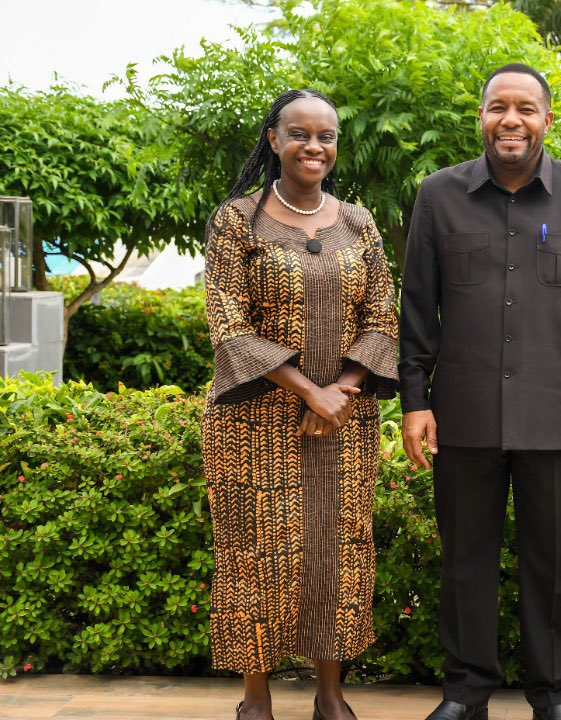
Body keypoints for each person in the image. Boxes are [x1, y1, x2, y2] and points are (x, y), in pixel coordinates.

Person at [397, 63, 561, 720]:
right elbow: (417, 312)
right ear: (482, 117)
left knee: (555, 566)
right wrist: (415, 401)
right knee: (464, 562)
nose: (511, 119)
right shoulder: (438, 196)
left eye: (526, 108)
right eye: (499, 106)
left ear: (547, 120)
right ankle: (465, 695)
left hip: (556, 419)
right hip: (462, 413)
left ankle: (555, 698)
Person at [201, 89, 399, 720]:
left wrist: (341, 390)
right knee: (252, 552)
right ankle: (254, 698)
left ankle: (330, 694)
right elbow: (226, 320)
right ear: (273, 140)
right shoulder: (237, 220)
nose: (315, 147)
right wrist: (308, 389)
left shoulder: (358, 221)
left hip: (345, 421)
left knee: (334, 550)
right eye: (300, 134)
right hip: (251, 421)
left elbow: (384, 315)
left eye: (327, 136)